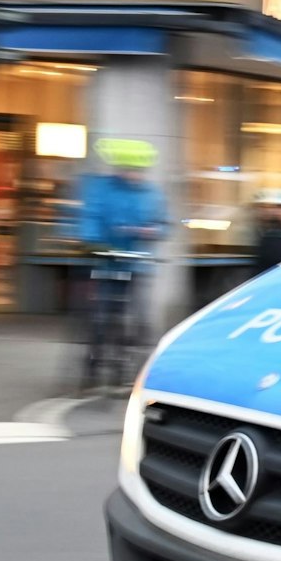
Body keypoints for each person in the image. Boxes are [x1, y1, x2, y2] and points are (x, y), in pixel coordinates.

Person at [77, 137, 166, 385]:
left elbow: (162, 223)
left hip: (136, 263)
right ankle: (93, 364)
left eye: (138, 171)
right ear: (119, 168)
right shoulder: (102, 189)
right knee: (101, 316)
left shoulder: (151, 193)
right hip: (106, 262)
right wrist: (93, 242)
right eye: (129, 170)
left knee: (137, 317)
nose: (134, 175)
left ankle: (126, 363)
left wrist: (151, 231)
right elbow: (90, 217)